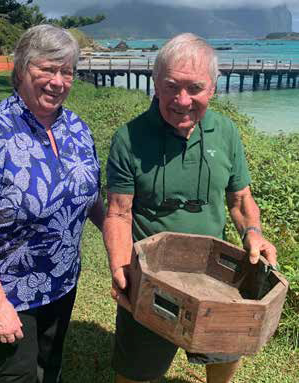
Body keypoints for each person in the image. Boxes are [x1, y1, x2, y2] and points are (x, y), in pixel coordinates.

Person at [103, 33, 277, 383]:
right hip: (153, 275)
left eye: (195, 88)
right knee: (137, 373)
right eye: (171, 87)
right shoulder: (129, 138)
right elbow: (119, 213)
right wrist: (122, 269)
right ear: (155, 83)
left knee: (224, 357)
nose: (182, 100)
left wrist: (254, 234)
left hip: (218, 278)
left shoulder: (225, 132)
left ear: (213, 87)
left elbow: (240, 199)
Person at [0, 24, 104, 383]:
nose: (57, 81)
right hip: (7, 288)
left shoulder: (76, 128)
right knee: (16, 374)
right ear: (20, 70)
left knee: (50, 363)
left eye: (66, 72)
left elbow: (92, 197)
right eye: (46, 69)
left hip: (61, 279)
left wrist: (118, 237)